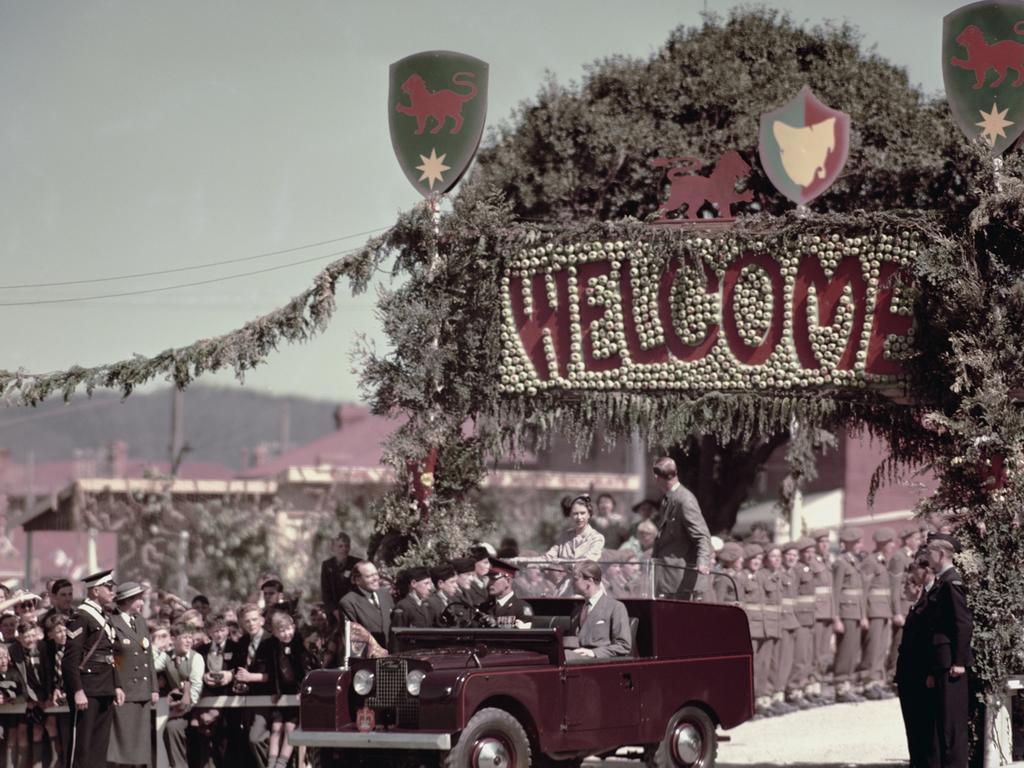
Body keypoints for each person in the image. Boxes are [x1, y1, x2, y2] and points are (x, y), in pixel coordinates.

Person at [62, 569, 125, 768]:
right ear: (95, 591)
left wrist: (117, 685)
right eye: (108, 587)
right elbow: (70, 660)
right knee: (82, 747)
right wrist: (78, 690)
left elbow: (111, 657)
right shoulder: (81, 616)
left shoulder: (103, 616)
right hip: (87, 689)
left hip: (105, 687)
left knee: (99, 747)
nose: (112, 591)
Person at [923, 533, 973, 768]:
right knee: (941, 722)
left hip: (951, 662)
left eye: (930, 552)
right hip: (940, 661)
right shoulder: (942, 582)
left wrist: (960, 661)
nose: (927, 557)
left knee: (952, 725)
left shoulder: (952, 582)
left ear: (940, 554)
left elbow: (962, 623)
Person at [251, 612, 312, 768]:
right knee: (276, 726)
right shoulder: (271, 646)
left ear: (293, 627)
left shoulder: (300, 644)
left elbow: (305, 670)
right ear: (275, 633)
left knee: (290, 726)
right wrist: (275, 690)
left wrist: (302, 691)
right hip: (282, 693)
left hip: (298, 694)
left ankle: (281, 763)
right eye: (281, 631)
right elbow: (275, 673)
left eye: (288, 629)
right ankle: (271, 764)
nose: (286, 634)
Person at [107, 581, 158, 767]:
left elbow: (149, 656)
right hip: (124, 693)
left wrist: (153, 687)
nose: (142, 603)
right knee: (122, 747)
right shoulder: (111, 621)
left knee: (139, 748)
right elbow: (112, 659)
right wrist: (116, 685)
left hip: (142, 692)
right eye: (139, 599)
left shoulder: (140, 621)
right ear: (127, 600)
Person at [896, 547, 936, 768]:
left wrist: (930, 671)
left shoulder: (933, 596)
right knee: (914, 731)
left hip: (918, 673)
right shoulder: (921, 595)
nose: (911, 577)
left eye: (915, 571)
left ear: (926, 570)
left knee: (921, 729)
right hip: (910, 673)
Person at [650, 457, 713, 599]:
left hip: (679, 582)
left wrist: (703, 562)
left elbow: (702, 536)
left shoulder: (684, 500)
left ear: (657, 478)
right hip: (667, 578)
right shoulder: (670, 498)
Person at [154, 623, 204, 768]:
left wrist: (183, 708)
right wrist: (155, 647)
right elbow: (151, 666)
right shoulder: (166, 656)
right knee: (171, 729)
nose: (189, 641)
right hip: (177, 709)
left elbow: (196, 688)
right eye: (185, 637)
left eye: (190, 637)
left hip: (195, 708)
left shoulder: (197, 658)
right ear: (174, 639)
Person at [859, 527, 897, 700]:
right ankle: (868, 683)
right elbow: (864, 590)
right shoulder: (870, 562)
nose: (893, 546)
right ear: (882, 544)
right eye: (890, 543)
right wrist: (863, 615)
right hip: (873, 611)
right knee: (872, 649)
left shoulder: (883, 562)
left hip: (883, 611)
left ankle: (877, 682)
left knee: (881, 648)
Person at [565, 561, 632, 660]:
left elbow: (623, 645)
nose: (571, 583)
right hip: (575, 661)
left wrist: (593, 652)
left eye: (575, 579)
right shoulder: (577, 611)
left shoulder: (615, 607)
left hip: (598, 663)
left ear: (589, 581)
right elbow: (575, 640)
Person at [832, 527, 868, 703]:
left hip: (855, 613)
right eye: (858, 542)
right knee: (845, 650)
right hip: (845, 613)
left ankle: (847, 683)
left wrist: (862, 615)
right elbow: (836, 592)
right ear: (849, 544)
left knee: (853, 650)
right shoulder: (841, 563)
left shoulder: (855, 562)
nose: (860, 545)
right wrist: (836, 617)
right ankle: (840, 686)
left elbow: (859, 593)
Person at [339, 561, 394, 648]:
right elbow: (354, 636)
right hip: (369, 656)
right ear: (357, 580)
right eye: (369, 576)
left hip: (392, 653)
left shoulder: (385, 593)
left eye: (376, 574)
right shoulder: (348, 602)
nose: (375, 578)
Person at [544, 493, 606, 562]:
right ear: (570, 515)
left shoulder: (597, 538)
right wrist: (530, 562)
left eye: (582, 513)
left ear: (589, 514)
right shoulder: (564, 537)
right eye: (575, 514)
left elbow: (587, 562)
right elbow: (548, 558)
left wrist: (561, 561)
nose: (579, 517)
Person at [478, 558, 533, 627]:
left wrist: (496, 625)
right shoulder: (485, 607)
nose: (489, 583)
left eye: (494, 579)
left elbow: (524, 634)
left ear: (508, 581)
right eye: (489, 579)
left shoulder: (521, 607)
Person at [321, 532, 362, 619]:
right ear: (333, 548)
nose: (344, 549)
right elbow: (325, 592)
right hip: (334, 614)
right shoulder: (327, 566)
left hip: (354, 611)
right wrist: (334, 610)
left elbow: (361, 588)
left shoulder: (357, 563)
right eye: (340, 546)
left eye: (347, 546)